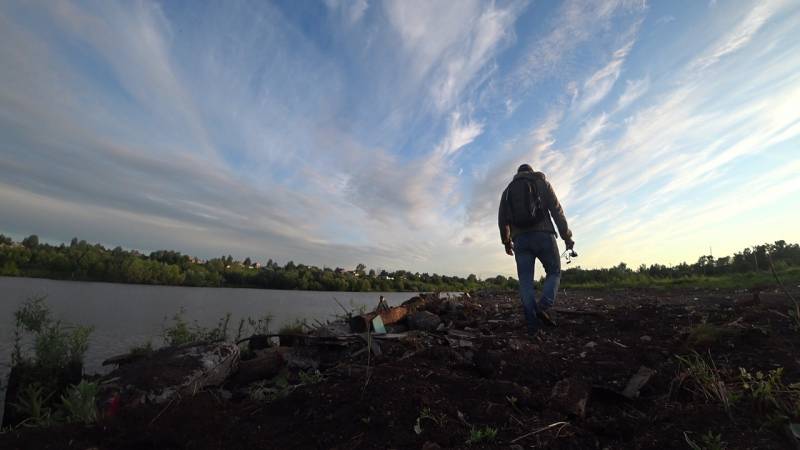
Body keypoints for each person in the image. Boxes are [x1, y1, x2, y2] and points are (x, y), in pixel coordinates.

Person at [498, 164, 574, 335]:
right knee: (554, 272)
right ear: (531, 172)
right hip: (544, 234)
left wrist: (506, 242)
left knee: (525, 282)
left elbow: (503, 220)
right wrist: (566, 236)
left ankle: (532, 325)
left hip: (520, 241)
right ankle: (543, 306)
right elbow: (557, 211)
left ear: (517, 174)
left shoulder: (508, 191)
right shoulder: (541, 183)